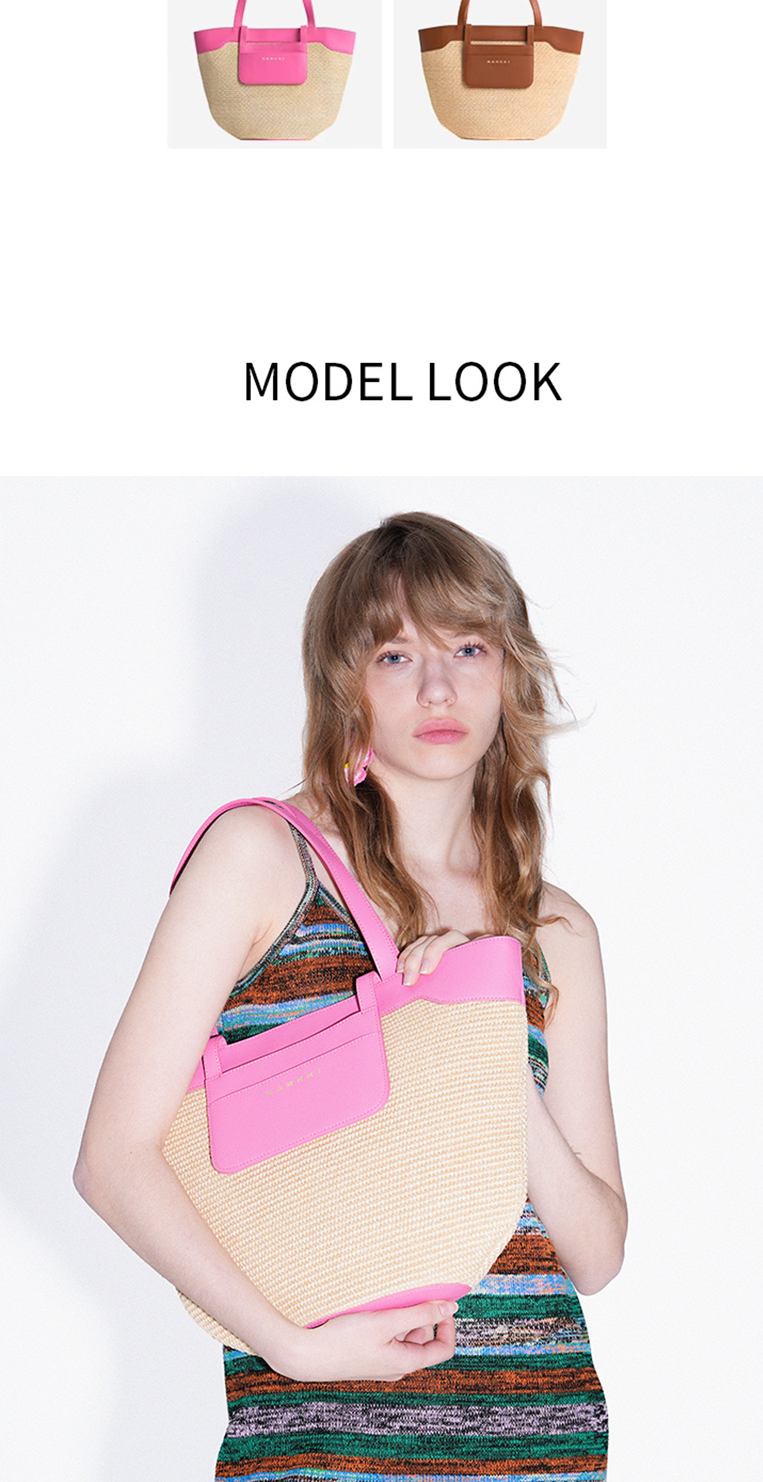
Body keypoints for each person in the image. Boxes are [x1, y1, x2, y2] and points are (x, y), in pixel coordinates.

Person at [75, 510, 626, 1479]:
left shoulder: (554, 930)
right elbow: (111, 1158)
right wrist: (291, 1346)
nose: (438, 686)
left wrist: (483, 1053)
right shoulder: (260, 858)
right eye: (394, 654)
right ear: (345, 684)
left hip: (539, 1443)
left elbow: (597, 1251)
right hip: (315, 1443)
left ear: (509, 669)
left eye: (467, 646)